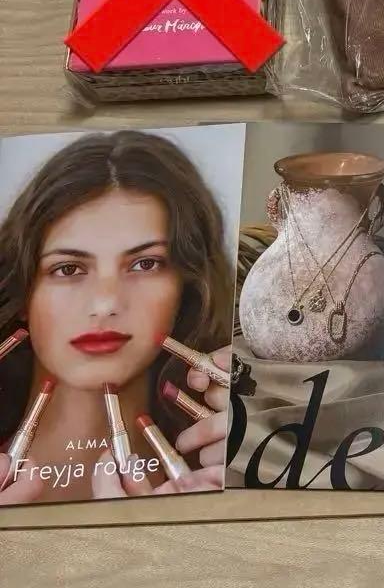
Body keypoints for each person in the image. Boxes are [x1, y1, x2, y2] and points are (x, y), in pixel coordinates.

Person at [0, 131, 232, 504]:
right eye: (68, 268)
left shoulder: (221, 465)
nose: (106, 303)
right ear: (25, 291)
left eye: (145, 264)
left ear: (187, 288)